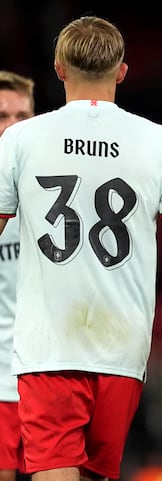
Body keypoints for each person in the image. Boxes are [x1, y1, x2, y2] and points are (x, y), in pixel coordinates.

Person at [0, 16, 162, 481]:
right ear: (122, 71)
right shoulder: (161, 143)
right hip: (121, 350)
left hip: (48, 349)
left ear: (59, 69)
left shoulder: (20, 139)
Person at [0, 70, 35, 481]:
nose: (11, 127)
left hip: (49, 376)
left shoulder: (56, 193)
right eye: (2, 116)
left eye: (22, 116)